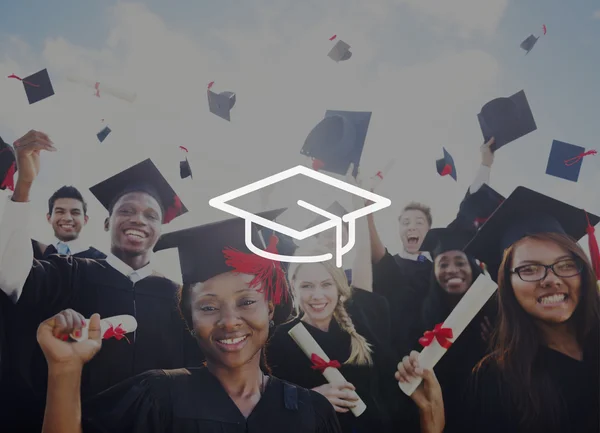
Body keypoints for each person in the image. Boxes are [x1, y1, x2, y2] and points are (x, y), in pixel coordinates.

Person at [37, 212, 344, 433]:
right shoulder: (156, 396)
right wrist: (65, 370)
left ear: (271, 308)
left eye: (247, 301)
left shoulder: (311, 412)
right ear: (190, 318)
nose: (229, 321)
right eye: (208, 306)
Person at [0, 130, 201, 432]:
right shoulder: (68, 272)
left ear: (159, 231)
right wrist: (24, 185)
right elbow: (10, 276)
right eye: (126, 210)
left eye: (151, 216)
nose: (138, 220)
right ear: (107, 222)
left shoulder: (178, 298)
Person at [403, 187, 600, 433]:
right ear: (507, 285)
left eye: (566, 264)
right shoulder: (495, 381)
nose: (551, 279)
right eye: (529, 269)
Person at [267, 175, 441, 433]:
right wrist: (311, 398)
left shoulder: (358, 319)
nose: (317, 295)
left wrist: (359, 204)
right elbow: (270, 407)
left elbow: (363, 257)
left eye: (326, 285)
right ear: (293, 286)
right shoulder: (279, 340)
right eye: (306, 286)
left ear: (339, 287)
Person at [368, 138, 497, 354]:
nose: (412, 228)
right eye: (406, 223)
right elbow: (379, 259)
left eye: (419, 223)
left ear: (429, 230)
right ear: (398, 230)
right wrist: (366, 210)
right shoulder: (393, 268)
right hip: (408, 355)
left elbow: (468, 213)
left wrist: (485, 164)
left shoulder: (444, 266)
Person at [400, 227, 496, 433]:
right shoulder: (419, 317)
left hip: (492, 412)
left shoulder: (495, 311)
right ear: (433, 272)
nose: (452, 270)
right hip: (442, 417)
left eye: (460, 263)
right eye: (443, 264)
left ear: (472, 267)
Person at [31, 185, 106, 260]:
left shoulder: (100, 260)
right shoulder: (33, 253)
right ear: (49, 218)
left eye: (75, 212)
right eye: (60, 212)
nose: (67, 218)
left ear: (85, 220)